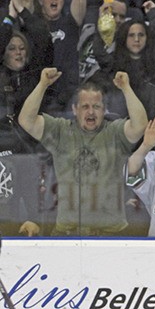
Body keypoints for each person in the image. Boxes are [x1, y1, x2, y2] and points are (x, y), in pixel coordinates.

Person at [17, 69, 148, 236]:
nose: (91, 112)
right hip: (68, 233)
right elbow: (26, 120)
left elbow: (139, 125)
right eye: (85, 106)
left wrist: (126, 89)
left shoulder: (115, 132)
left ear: (104, 110)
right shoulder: (61, 131)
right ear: (74, 109)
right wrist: (43, 85)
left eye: (96, 107)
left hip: (111, 234)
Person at [20, 0, 87, 113]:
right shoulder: (34, 23)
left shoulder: (71, 22)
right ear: (41, 0)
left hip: (67, 91)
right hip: (38, 89)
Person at [90, 19, 155, 119]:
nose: (136, 39)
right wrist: (103, 21)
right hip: (119, 120)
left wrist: (153, 15)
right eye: (131, 35)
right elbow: (99, 52)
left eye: (141, 35)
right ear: (124, 37)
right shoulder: (113, 62)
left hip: (148, 118)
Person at [0, 0, 52, 117]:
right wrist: (10, 18)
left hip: (31, 133)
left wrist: (21, 10)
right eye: (12, 49)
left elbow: (44, 37)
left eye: (22, 48)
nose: (18, 52)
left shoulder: (34, 72)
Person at [78, 0, 128, 83]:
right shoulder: (87, 31)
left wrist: (102, 27)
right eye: (113, 14)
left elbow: (106, 63)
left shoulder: (124, 45)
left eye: (122, 17)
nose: (118, 20)